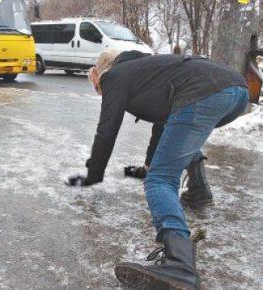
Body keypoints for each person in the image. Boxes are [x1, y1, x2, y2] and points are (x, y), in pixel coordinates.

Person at [67, 50, 249, 289]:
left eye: (95, 78)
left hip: (204, 93)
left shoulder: (116, 76)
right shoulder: (148, 69)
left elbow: (107, 129)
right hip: (236, 91)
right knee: (182, 133)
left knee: (160, 180)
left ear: (103, 71)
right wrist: (147, 165)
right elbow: (163, 125)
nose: (96, 85)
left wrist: (94, 173)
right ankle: (198, 190)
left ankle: (180, 264)